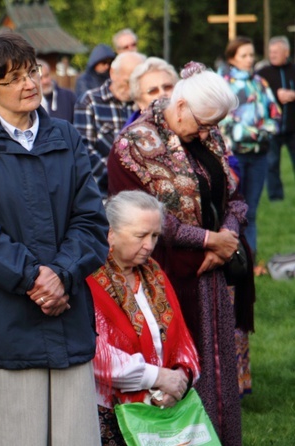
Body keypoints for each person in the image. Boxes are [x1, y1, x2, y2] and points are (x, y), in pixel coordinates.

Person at [0, 33, 109, 445]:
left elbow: (91, 222)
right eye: (14, 78)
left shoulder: (65, 136)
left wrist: (62, 274)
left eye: (32, 72)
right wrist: (33, 278)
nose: (30, 83)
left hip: (65, 320)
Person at [107, 61, 252, 446]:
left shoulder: (209, 134)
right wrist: (208, 241)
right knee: (178, 371)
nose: (208, 132)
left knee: (219, 375)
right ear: (182, 105)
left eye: (213, 125)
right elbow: (146, 215)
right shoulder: (134, 143)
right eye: (203, 123)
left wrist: (227, 238)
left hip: (213, 273)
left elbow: (235, 195)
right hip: (167, 274)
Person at [87, 190, 200, 445]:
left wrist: (179, 380)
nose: (149, 245)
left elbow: (183, 339)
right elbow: (98, 356)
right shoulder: (90, 280)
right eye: (140, 236)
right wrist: (158, 378)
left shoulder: (153, 274)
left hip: (162, 406)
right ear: (110, 234)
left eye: (155, 236)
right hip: (110, 412)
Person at [217, 36, 281, 270]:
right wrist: (257, 131)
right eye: (244, 55)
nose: (249, 59)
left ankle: (250, 261)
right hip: (235, 156)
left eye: (252, 54)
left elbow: (275, 115)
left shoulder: (260, 83)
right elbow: (224, 122)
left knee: (251, 210)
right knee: (233, 209)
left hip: (259, 156)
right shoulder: (223, 84)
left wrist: (260, 131)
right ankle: (232, 258)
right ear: (232, 57)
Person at [74, 51, 146, 196]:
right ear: (113, 73)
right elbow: (83, 150)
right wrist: (121, 175)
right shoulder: (90, 101)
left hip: (142, 193)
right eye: (127, 82)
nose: (132, 88)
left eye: (137, 83)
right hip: (103, 192)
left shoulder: (143, 103)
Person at [257, 36, 295, 201]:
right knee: (272, 164)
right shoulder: (262, 74)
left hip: (293, 128)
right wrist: (274, 95)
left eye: (276, 52)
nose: (272, 55)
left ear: (286, 52)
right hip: (273, 127)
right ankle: (275, 197)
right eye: (270, 52)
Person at [125, 57, 178, 126]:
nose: (162, 93)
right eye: (153, 91)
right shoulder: (132, 134)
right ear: (140, 102)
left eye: (167, 87)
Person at [38, 59, 77, 123]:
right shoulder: (30, 103)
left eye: (47, 76)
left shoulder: (69, 96)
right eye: (40, 78)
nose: (45, 81)